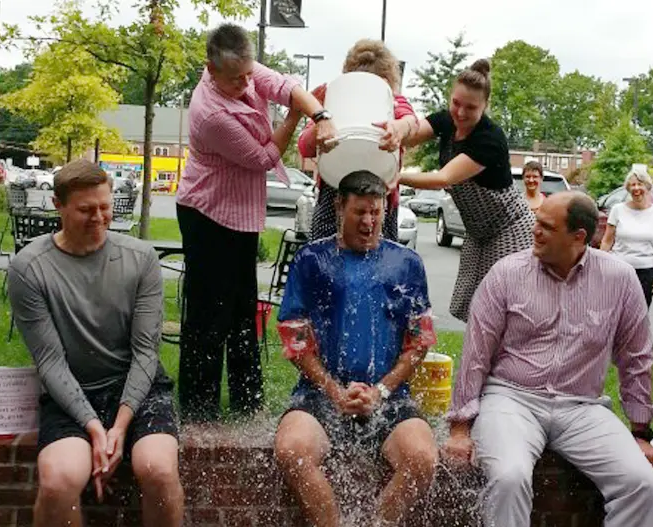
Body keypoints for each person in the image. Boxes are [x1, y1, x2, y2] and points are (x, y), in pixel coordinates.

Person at [445, 191, 653, 527]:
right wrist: (460, 428)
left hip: (582, 407)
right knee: (508, 476)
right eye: (537, 222)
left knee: (642, 484)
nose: (535, 231)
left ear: (578, 237)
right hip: (512, 398)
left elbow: (636, 358)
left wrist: (641, 431)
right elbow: (476, 354)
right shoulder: (506, 273)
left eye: (547, 226)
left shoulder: (620, 280)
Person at [7, 160, 183, 527]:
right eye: (86, 210)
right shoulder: (29, 267)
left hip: (138, 388)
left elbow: (146, 352)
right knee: (58, 482)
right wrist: (92, 426)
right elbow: (50, 361)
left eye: (105, 207)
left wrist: (118, 427)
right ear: (58, 205)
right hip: (72, 388)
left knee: (159, 470)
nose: (99, 218)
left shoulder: (141, 258)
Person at [176, 24, 337, 421]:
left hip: (240, 214)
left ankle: (248, 402)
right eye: (235, 79)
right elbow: (263, 157)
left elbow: (284, 86)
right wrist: (297, 118)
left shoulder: (243, 66)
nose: (246, 83)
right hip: (207, 214)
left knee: (243, 308)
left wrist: (321, 114)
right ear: (210, 70)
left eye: (249, 74)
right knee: (209, 315)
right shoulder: (210, 114)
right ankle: (200, 406)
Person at [273, 171, 438, 527]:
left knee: (423, 458)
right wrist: (333, 390)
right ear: (339, 207)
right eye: (359, 212)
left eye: (376, 213)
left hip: (389, 396)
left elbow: (419, 342)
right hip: (320, 395)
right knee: (291, 451)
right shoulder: (312, 260)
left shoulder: (407, 264)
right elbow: (294, 338)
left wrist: (380, 391)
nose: (369, 222)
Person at [397, 59, 535, 322]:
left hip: (509, 228)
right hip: (476, 232)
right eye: (455, 103)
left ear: (485, 106)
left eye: (470, 107)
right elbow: (413, 133)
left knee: (502, 306)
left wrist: (394, 177)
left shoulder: (489, 138)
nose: (460, 113)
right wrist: (396, 129)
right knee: (469, 305)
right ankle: (477, 361)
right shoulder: (447, 120)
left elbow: (443, 178)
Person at [299, 39, 419, 242]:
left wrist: (399, 128)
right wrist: (321, 127)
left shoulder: (394, 101)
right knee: (326, 266)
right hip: (334, 200)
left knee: (378, 269)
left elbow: (412, 122)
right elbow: (305, 146)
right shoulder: (330, 98)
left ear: (387, 83)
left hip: (380, 203)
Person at [600, 167, 653, 306]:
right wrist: (600, 267)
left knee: (640, 316)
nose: (636, 188)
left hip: (646, 272)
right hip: (619, 270)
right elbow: (607, 241)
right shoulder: (617, 210)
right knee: (616, 314)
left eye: (640, 184)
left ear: (648, 187)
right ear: (628, 188)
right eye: (632, 185)